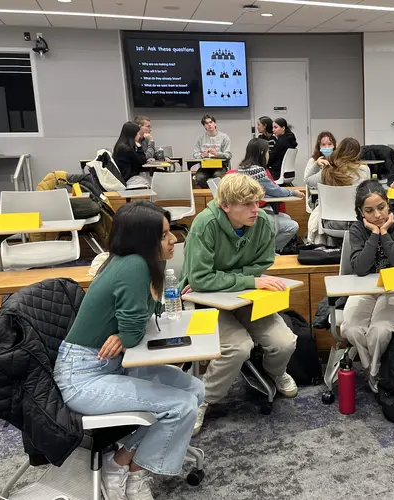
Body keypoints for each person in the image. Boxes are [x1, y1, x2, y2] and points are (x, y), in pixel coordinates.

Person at [53, 201, 204, 500]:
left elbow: (148, 315)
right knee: (180, 405)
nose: (174, 239)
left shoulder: (135, 263)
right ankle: (131, 469)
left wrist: (124, 333)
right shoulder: (134, 265)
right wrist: (125, 334)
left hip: (110, 365)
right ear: (143, 240)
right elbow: (135, 332)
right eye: (163, 235)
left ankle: (120, 459)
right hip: (83, 376)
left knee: (195, 389)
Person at [181, 173, 298, 435]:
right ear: (226, 206)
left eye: (257, 202)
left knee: (285, 341)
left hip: (244, 296)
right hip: (206, 301)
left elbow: (263, 264)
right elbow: (199, 280)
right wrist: (249, 280)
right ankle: (205, 398)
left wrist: (229, 279)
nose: (255, 209)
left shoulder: (264, 223)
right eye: (246, 204)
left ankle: (274, 373)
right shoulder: (205, 224)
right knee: (238, 347)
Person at [341, 180, 394, 393]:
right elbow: (360, 268)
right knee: (351, 329)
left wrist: (385, 234)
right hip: (364, 287)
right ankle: (372, 368)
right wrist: (374, 234)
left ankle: (373, 372)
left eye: (381, 207)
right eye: (369, 210)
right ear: (360, 211)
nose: (378, 215)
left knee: (379, 331)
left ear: (388, 203)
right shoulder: (357, 229)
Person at [236, 137, 304, 252]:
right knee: (293, 226)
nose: (269, 155)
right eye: (268, 152)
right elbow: (275, 191)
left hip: (244, 213)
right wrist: (292, 192)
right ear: (262, 153)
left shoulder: (242, 168)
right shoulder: (257, 171)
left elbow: (265, 191)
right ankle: (269, 251)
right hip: (254, 215)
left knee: (285, 217)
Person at [306, 137, 371, 244]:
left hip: (331, 223)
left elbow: (308, 180)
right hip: (358, 223)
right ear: (357, 153)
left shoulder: (327, 170)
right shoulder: (364, 170)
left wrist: (316, 164)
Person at [193, 114, 232, 188]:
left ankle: (218, 196)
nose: (209, 125)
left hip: (220, 166)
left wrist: (217, 154)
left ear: (215, 123)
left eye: (211, 122)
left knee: (218, 177)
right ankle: (207, 195)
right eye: (206, 123)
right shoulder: (200, 138)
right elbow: (195, 154)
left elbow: (228, 155)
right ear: (204, 126)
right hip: (205, 167)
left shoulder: (224, 137)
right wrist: (202, 155)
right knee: (199, 178)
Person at [304, 131, 337, 211]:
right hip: (318, 197)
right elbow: (307, 180)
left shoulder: (338, 160)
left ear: (334, 146)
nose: (327, 147)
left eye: (329, 144)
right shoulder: (312, 161)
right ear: (319, 147)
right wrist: (317, 165)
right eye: (323, 145)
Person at [112, 121, 148, 185]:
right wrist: (139, 147)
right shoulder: (126, 149)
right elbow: (142, 162)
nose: (139, 135)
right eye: (138, 133)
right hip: (127, 179)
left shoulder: (120, 145)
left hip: (123, 178)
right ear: (133, 134)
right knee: (149, 181)